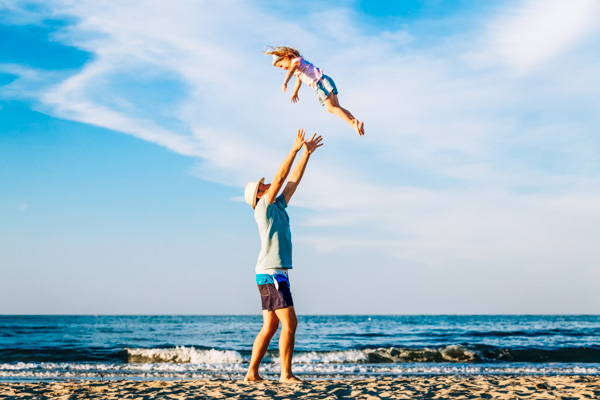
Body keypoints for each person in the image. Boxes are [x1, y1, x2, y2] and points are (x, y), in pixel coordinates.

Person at [243, 129, 323, 383]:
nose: (267, 185)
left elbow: (293, 181)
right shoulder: (264, 207)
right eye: (263, 186)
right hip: (272, 272)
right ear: (259, 194)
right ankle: (286, 374)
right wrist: (294, 148)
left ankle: (251, 373)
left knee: (271, 326)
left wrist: (307, 154)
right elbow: (280, 176)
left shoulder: (277, 205)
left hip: (268, 272)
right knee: (290, 323)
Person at [265, 46, 365, 136]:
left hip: (320, 83)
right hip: (325, 80)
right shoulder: (299, 66)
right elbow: (298, 80)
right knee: (336, 106)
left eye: (281, 65)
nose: (283, 69)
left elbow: (291, 72)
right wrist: (295, 92)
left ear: (286, 57)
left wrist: (285, 82)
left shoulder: (295, 62)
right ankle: (355, 122)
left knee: (330, 108)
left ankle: (353, 122)